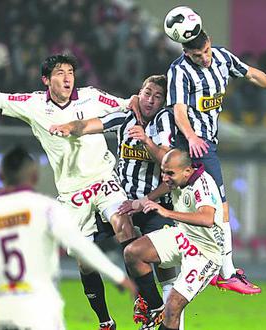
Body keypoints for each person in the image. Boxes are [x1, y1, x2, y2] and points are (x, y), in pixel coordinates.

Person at [0, 36, 146, 330]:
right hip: (72, 193)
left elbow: (128, 105)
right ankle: (105, 321)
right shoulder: (32, 104)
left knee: (124, 225)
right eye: (60, 73)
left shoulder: (92, 96)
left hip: (104, 178)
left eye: (71, 72)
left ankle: (144, 299)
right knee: (84, 259)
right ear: (46, 80)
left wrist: (145, 102)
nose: (68, 78)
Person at [167, 30, 266, 294]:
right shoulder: (179, 71)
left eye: (206, 51)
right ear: (186, 53)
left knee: (200, 208)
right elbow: (179, 109)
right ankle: (226, 272)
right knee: (220, 207)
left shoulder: (221, 57)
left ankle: (205, 265)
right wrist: (192, 136)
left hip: (207, 143)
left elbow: (251, 73)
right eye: (197, 55)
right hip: (193, 144)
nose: (204, 58)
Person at [49, 75, 183, 328]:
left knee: (163, 266)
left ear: (164, 101)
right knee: (83, 257)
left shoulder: (166, 121)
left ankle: (159, 313)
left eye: (157, 96)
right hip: (122, 200)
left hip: (156, 203)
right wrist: (69, 127)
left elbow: (168, 164)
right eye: (147, 93)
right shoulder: (125, 117)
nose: (150, 100)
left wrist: (146, 140)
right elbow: (90, 124)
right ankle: (107, 320)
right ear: (139, 92)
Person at [0, 145, 136, 329]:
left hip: (3, 311)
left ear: (0, 176)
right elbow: (81, 245)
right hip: (41, 309)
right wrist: (118, 276)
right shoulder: (46, 209)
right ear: (34, 177)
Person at [123, 149, 224, 330]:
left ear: (187, 171)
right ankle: (155, 308)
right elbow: (162, 187)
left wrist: (166, 212)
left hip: (205, 252)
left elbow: (207, 218)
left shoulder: (203, 184)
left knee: (173, 307)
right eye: (163, 171)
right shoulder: (177, 179)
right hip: (183, 236)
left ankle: (163, 311)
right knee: (133, 252)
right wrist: (140, 203)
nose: (165, 177)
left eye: (170, 173)